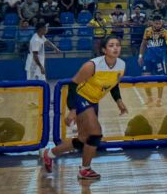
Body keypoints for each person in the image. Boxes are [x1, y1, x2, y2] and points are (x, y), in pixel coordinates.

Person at [43, 35, 128, 181]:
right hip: (80, 97)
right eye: (111, 45)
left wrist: (119, 101)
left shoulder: (121, 65)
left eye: (117, 45)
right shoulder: (92, 65)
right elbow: (73, 85)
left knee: (83, 138)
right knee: (95, 134)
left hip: (94, 101)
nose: (115, 48)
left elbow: (114, 85)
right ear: (104, 50)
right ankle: (85, 170)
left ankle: (50, 154)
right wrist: (73, 109)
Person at [138, 13, 167, 107]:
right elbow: (143, 44)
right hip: (148, 59)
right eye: (156, 23)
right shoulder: (147, 31)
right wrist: (140, 56)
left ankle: (159, 99)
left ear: (162, 23)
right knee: (144, 78)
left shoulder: (165, 32)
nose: (158, 25)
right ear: (152, 23)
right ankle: (149, 97)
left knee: (160, 79)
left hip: (159, 59)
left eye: (159, 23)